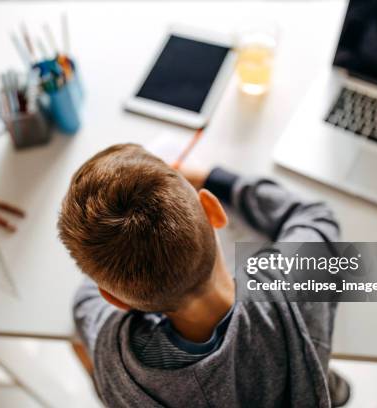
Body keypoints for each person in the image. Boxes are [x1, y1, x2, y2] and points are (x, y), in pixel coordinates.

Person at [57, 143, 349, 407]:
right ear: (213, 211)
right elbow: (315, 216)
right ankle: (336, 392)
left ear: (114, 299)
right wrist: (216, 178)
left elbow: (85, 303)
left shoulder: (115, 356)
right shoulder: (291, 289)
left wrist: (112, 258)